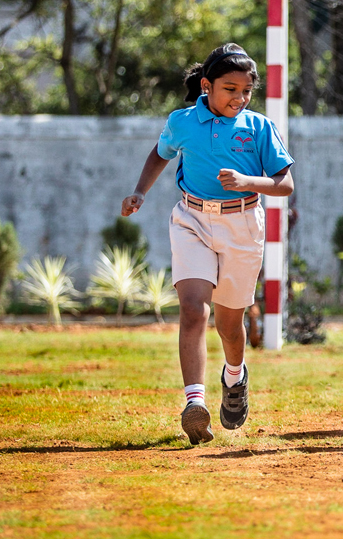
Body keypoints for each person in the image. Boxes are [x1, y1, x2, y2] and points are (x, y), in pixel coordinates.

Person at [121, 43, 295, 446]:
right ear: (206, 85)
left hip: (243, 225)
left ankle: (234, 377)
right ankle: (193, 403)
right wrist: (139, 191)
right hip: (191, 220)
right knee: (193, 308)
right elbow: (160, 154)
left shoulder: (260, 128)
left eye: (246, 91)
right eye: (230, 88)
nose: (239, 98)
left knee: (230, 325)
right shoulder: (182, 122)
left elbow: (285, 185)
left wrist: (249, 182)